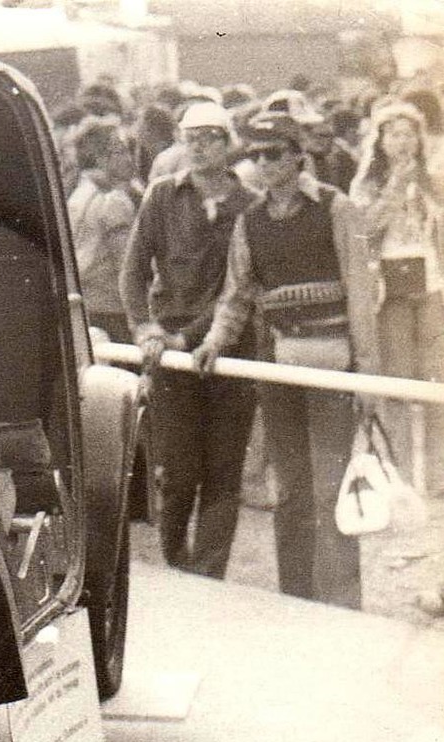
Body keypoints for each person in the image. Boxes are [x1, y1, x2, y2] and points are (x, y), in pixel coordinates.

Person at [194, 113, 379, 610]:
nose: (263, 163)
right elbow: (236, 296)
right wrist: (213, 342)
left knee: (331, 492)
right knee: (291, 493)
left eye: (273, 153)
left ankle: (343, 608)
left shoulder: (337, 209)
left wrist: (367, 376)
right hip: (279, 369)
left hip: (332, 367)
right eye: (255, 155)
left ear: (298, 155)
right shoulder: (248, 221)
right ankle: (294, 604)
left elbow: (361, 293)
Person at [120, 100, 259, 579]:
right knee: (177, 475)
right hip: (172, 359)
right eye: (190, 138)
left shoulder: (249, 205)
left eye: (210, 138)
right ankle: (177, 567)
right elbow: (133, 272)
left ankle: (209, 576)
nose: (199, 148)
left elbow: (239, 290)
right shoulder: (161, 197)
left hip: (230, 353)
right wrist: (144, 328)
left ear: (228, 143)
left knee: (223, 474)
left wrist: (190, 336)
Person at [350, 99, 444, 491]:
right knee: (397, 383)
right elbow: (364, 228)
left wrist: (424, 186)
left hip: (431, 286)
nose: (402, 142)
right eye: (394, 134)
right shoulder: (367, 182)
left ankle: (438, 474)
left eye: (409, 134)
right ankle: (402, 474)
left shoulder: (432, 179)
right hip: (388, 289)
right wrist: (393, 188)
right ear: (380, 139)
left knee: (436, 381)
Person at [68, 119, 138, 343]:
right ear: (101, 158)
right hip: (113, 310)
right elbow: (127, 264)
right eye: (121, 151)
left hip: (84, 304)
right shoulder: (113, 199)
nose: (130, 159)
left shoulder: (77, 193)